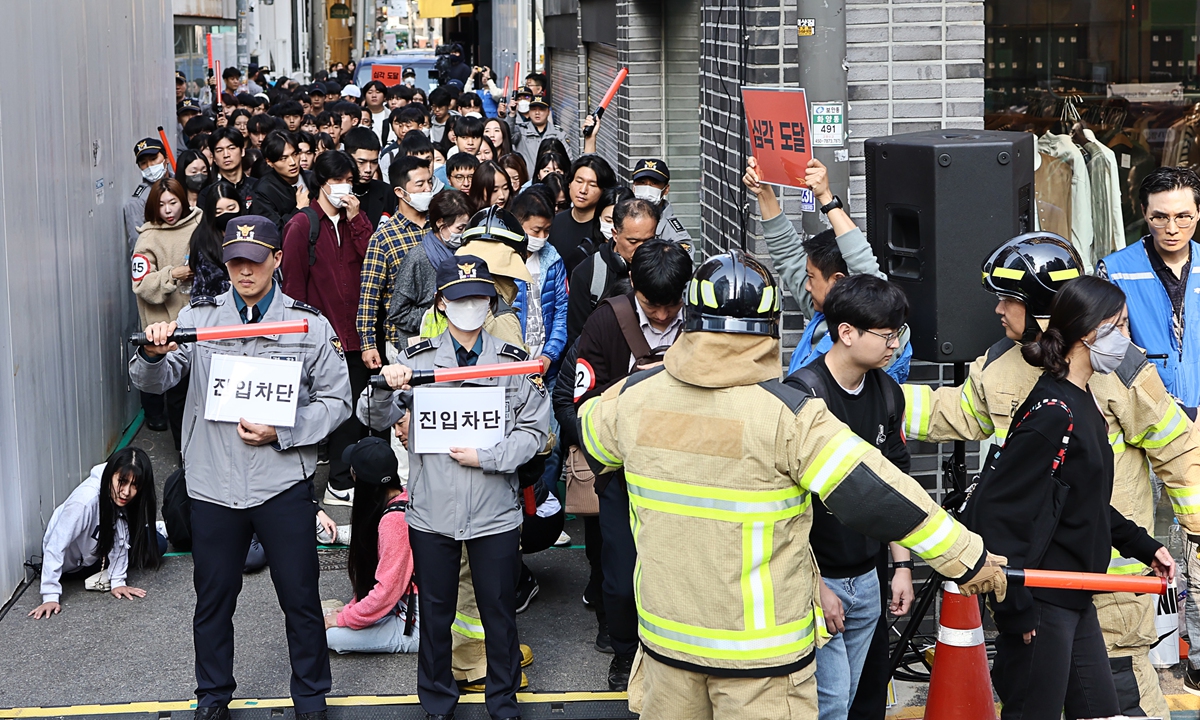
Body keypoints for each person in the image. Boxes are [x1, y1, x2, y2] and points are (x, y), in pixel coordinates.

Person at [577, 250, 1006, 720]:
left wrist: (653, 379)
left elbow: (591, 438)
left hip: (666, 647)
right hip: (759, 663)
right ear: (769, 328)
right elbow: (879, 493)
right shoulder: (788, 418)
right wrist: (967, 557)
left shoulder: (632, 402)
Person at [902, 232, 1200, 717]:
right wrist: (876, 403)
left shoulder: (1117, 371)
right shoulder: (1030, 381)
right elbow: (957, 419)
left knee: (1119, 702)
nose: (998, 309)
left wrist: (1178, 539)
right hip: (1047, 584)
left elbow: (1179, 450)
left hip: (1109, 592)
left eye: (1009, 298)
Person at [131, 215, 351, 720]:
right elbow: (158, 376)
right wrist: (152, 350)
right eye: (234, 261)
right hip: (212, 485)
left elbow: (339, 400)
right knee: (212, 601)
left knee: (300, 599)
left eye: (254, 261)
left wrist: (287, 430)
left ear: (276, 259)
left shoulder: (308, 324)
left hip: (281, 485)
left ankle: (312, 698)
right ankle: (212, 697)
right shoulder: (199, 319)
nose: (243, 271)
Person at [967, 276, 1175, 720]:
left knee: (1101, 712)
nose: (1127, 340)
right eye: (1118, 327)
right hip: (1043, 603)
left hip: (1075, 597)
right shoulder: (1054, 412)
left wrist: (1146, 546)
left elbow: (1085, 501)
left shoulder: (1082, 403)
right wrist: (1018, 614)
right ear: (1087, 334)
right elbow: (998, 514)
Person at [358, 254, 549, 720]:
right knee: (437, 615)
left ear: (490, 303)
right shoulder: (416, 359)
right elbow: (370, 416)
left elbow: (535, 430)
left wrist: (488, 457)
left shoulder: (512, 362)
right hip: (432, 513)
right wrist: (386, 386)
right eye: (460, 298)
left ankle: (502, 702)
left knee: (499, 614)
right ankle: (437, 701)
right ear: (442, 302)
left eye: (479, 297)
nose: (470, 306)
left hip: (495, 511)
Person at [782, 275, 914, 720]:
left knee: (852, 697)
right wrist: (815, 585)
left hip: (869, 577)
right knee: (829, 703)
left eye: (898, 333)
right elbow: (783, 506)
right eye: (887, 335)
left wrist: (901, 567)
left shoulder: (886, 391)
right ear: (846, 332)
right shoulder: (802, 395)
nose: (895, 345)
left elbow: (893, 485)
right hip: (819, 579)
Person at [572, 239, 692, 691]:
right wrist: (633, 387)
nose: (661, 317)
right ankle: (624, 652)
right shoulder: (606, 321)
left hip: (686, 471)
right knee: (621, 578)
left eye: (670, 307)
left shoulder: (701, 324)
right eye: (651, 306)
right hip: (623, 472)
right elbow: (581, 398)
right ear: (633, 287)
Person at [742, 156, 912, 384]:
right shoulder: (824, 313)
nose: (806, 285)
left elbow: (864, 267)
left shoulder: (877, 332)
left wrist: (826, 198)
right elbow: (788, 255)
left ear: (838, 281)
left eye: (811, 277)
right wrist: (764, 192)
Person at [281, 151, 373, 508]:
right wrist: (299, 336)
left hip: (356, 334)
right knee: (322, 409)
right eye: (337, 181)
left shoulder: (354, 220)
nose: (344, 187)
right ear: (321, 182)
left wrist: (357, 220)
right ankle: (322, 484)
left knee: (351, 412)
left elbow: (372, 259)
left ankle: (341, 479)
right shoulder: (302, 225)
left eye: (349, 180)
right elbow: (293, 287)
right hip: (319, 337)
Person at [1098, 166, 1200, 407]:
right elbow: (1107, 353)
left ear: (1198, 212)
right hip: (1143, 413)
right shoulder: (1115, 271)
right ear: (1144, 212)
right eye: (1160, 217)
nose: (1172, 229)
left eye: (1183, 217)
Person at [29, 447, 163, 620]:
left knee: (158, 543)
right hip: (71, 567)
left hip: (95, 554)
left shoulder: (121, 498)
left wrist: (118, 582)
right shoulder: (84, 502)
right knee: (154, 542)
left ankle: (155, 528)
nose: (126, 492)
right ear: (110, 475)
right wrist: (50, 596)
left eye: (134, 485)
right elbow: (55, 546)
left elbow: (120, 535)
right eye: (122, 481)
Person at [323, 437, 420, 655]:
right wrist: (351, 608)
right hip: (403, 605)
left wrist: (343, 618)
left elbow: (387, 591)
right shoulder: (405, 495)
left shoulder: (393, 523)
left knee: (330, 636)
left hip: (413, 622)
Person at [133, 177, 203, 452]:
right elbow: (140, 284)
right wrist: (172, 274)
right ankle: (183, 451)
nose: (168, 210)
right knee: (178, 392)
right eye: (161, 205)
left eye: (173, 202)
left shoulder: (199, 225)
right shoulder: (148, 237)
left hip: (203, 321)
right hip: (168, 328)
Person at [357, 155, 432, 374]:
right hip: (402, 340)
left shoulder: (440, 227)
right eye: (420, 185)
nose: (427, 189)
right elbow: (369, 296)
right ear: (400, 192)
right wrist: (368, 344)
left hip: (444, 335)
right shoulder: (383, 239)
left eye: (429, 182)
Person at [567, 198, 660, 343]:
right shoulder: (587, 273)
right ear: (615, 234)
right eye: (633, 242)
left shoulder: (666, 265)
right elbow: (578, 338)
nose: (641, 249)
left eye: (648, 241)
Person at [388, 188, 473, 339]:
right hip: (427, 344)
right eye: (460, 228)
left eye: (468, 228)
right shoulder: (418, 258)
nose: (464, 233)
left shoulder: (468, 253)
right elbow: (398, 313)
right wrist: (437, 313)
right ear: (441, 223)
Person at [550, 154, 618, 274]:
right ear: (569, 183)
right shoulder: (554, 223)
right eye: (579, 181)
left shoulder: (605, 229)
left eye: (592, 185)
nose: (583, 190)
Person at [189, 181, 243, 299]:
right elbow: (212, 284)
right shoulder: (203, 240)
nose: (226, 214)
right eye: (218, 212)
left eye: (231, 208)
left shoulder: (251, 231)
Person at [343, 127, 398, 230]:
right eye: (361, 162)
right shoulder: (336, 192)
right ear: (347, 157)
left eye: (374, 162)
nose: (368, 169)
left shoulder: (387, 192)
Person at [254, 130, 309, 231]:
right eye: (283, 158)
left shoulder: (313, 178)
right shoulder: (263, 191)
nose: (292, 162)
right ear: (269, 162)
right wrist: (299, 209)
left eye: (295, 154)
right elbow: (273, 232)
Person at [125, 138, 171, 254]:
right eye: (143, 163)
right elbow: (138, 243)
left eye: (154, 159)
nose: (150, 166)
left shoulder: (182, 182)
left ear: (167, 158)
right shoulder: (138, 201)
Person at [630, 159, 692, 245]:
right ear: (634, 187)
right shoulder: (622, 216)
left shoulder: (675, 235)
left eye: (654, 183)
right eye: (642, 182)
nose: (647, 188)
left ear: (666, 189)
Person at [201, 128, 257, 211]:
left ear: (242, 151)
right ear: (214, 158)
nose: (226, 155)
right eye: (219, 150)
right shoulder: (207, 193)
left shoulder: (257, 186)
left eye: (231, 148)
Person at [512, 92, 565, 173]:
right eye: (533, 109)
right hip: (526, 183)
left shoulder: (558, 134)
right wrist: (511, 115)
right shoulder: (520, 130)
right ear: (529, 111)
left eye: (541, 109)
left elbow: (567, 159)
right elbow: (507, 135)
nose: (537, 113)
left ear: (548, 112)